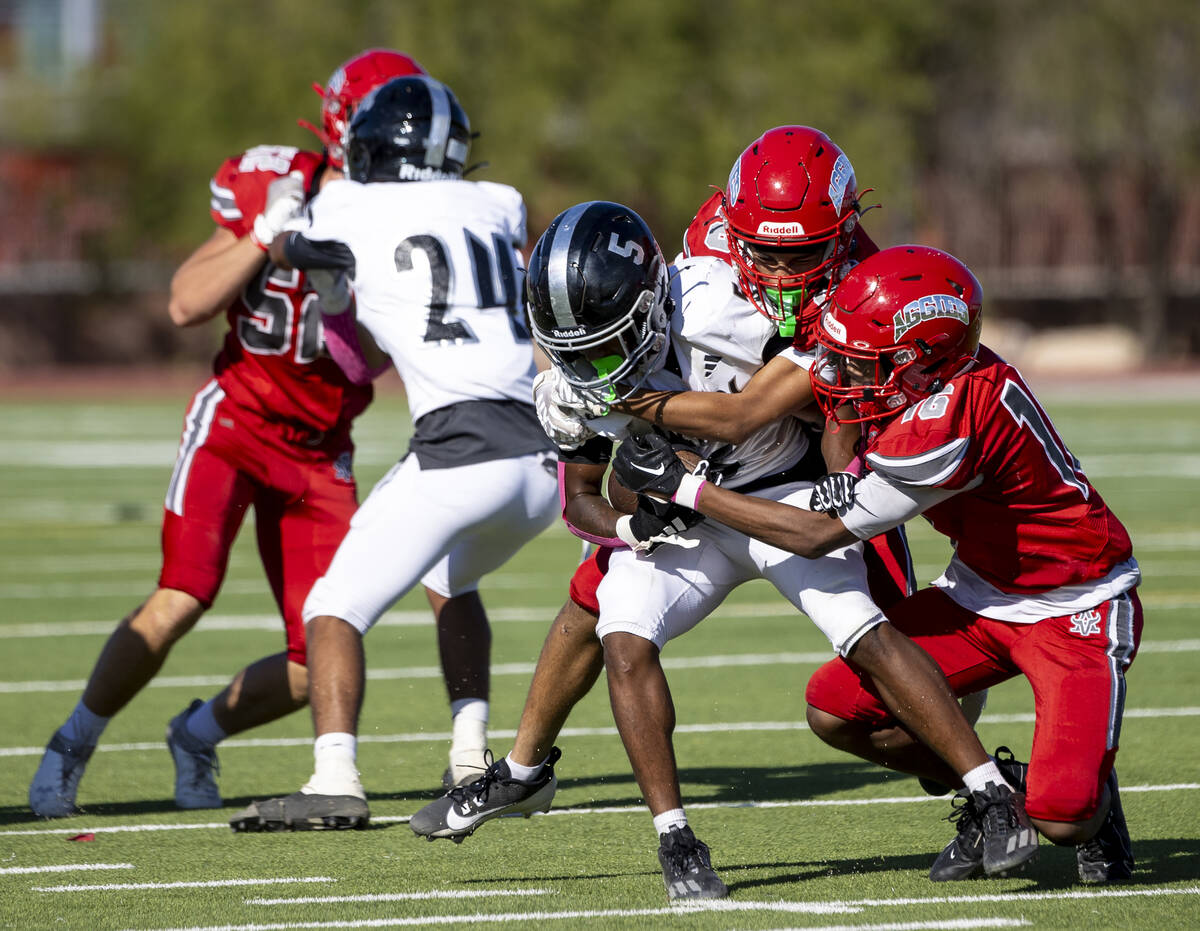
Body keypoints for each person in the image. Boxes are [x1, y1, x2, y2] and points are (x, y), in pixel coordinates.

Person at [411, 202, 1038, 900]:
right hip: (691, 519)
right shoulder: (566, 380)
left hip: (785, 495)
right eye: (573, 349)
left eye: (608, 345)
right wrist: (631, 521)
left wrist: (831, 461)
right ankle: (674, 838)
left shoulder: (724, 310)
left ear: (652, 308)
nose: (591, 367)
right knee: (619, 622)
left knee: (861, 632)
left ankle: (992, 791)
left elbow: (822, 402)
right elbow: (583, 496)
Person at [611, 244, 1140, 885]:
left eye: (861, 363)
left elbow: (813, 535)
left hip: (1076, 605)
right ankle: (996, 796)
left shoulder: (950, 422)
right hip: (979, 593)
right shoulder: (933, 376)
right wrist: (840, 464)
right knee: (836, 709)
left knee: (1064, 819)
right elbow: (840, 412)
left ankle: (1087, 803)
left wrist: (687, 489)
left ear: (923, 367)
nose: (837, 374)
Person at [28, 49, 426, 818]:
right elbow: (183, 303)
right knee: (182, 593)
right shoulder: (278, 184)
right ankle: (73, 740)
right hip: (237, 421)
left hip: (320, 448)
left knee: (321, 654)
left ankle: (197, 732)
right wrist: (262, 235)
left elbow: (380, 359)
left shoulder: (417, 221)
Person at [228, 74, 559, 833]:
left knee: (331, 605)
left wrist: (274, 223)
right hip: (540, 459)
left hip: (460, 447)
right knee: (453, 577)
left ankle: (334, 775)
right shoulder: (497, 202)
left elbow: (285, 247)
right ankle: (471, 751)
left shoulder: (347, 204)